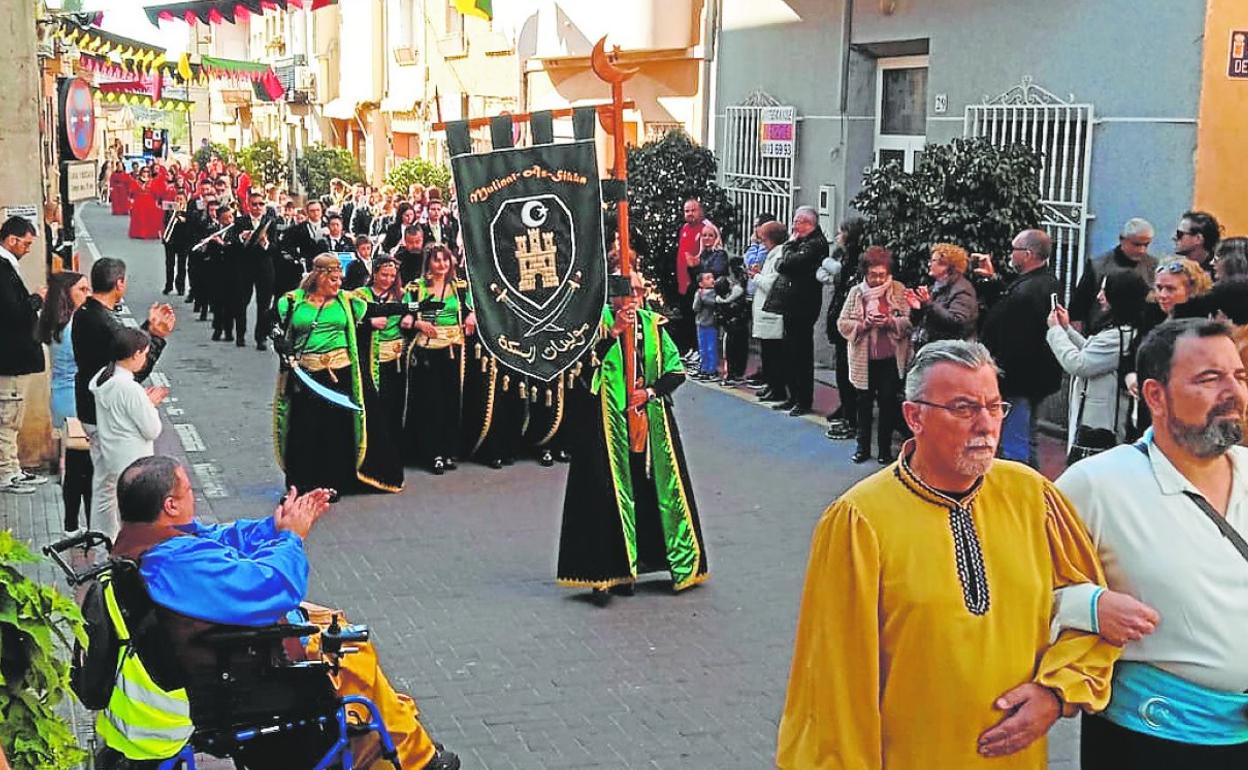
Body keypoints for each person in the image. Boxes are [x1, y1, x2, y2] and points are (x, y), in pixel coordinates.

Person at [776, 339, 1120, 770]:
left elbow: (1092, 611)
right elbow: (834, 687)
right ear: (914, 416)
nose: (985, 425)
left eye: (994, 407)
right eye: (962, 408)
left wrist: (1056, 692)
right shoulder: (858, 521)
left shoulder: (1032, 496)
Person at [97, 456, 460, 770]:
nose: (193, 496)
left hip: (217, 645)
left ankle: (400, 727)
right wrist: (291, 538)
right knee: (354, 652)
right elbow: (273, 586)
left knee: (327, 618)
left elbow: (219, 537)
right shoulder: (174, 563)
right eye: (188, 489)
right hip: (238, 668)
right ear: (170, 505)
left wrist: (275, 526)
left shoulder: (145, 539)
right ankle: (415, 755)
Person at [1054, 318, 1248, 768]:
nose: (1233, 392)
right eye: (1208, 379)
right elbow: (1014, 590)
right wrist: (1089, 607)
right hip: (1146, 739)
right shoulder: (1096, 484)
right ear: (1155, 396)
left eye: (1239, 376)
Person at [556, 273, 710, 596]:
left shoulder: (654, 326)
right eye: (627, 292)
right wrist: (613, 334)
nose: (633, 298)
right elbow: (583, 368)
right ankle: (609, 572)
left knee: (654, 491)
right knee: (607, 494)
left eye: (638, 291)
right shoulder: (595, 325)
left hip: (650, 422)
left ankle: (664, 562)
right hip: (607, 425)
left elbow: (675, 370)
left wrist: (650, 392)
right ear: (614, 297)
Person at [273, 255, 408, 496]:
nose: (338, 284)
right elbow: (270, 322)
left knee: (336, 430)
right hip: (307, 374)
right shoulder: (293, 302)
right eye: (333, 280)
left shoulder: (347, 301)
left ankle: (333, 482)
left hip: (340, 373)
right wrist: (279, 341)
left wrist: (414, 308)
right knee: (304, 430)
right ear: (320, 277)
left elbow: (380, 309)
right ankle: (301, 484)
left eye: (340, 279)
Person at [73, 257, 175, 537]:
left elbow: (123, 348)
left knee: (103, 484)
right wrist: (154, 337)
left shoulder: (84, 313)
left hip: (89, 406)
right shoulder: (106, 325)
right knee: (121, 488)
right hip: (110, 423)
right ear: (119, 283)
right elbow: (132, 365)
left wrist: (147, 332)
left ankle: (104, 537)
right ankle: (122, 543)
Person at [976, 229, 1063, 466]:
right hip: (1033, 379)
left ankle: (1023, 493)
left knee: (1017, 444)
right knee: (1025, 437)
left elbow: (1016, 336)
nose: (1010, 255)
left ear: (1028, 254)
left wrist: (999, 373)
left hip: (1019, 382)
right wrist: (993, 281)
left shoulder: (1030, 291)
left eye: (1014, 250)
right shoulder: (1044, 282)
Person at [1046, 271, 1149, 457]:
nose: (1099, 296)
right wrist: (1066, 329)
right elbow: (1091, 351)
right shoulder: (1122, 330)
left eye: (1104, 291)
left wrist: (1055, 332)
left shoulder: (1118, 336)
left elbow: (1079, 364)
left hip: (1101, 426)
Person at [402, 244, 475, 474]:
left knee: (452, 401)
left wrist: (471, 315)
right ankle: (432, 453)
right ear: (429, 263)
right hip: (426, 351)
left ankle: (448, 450)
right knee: (430, 403)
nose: (442, 265)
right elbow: (406, 314)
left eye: (445, 260)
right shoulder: (416, 289)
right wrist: (417, 322)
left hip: (454, 350)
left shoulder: (460, 287)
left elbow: (474, 307)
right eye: (437, 260)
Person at [836, 246, 911, 465]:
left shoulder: (898, 289)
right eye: (872, 275)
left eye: (882, 275)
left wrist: (890, 322)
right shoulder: (856, 293)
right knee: (864, 404)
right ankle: (862, 447)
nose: (877, 280)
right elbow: (842, 323)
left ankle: (884, 450)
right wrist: (863, 325)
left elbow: (908, 323)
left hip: (890, 358)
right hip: (864, 358)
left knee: (888, 403)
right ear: (865, 273)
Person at [88, 328, 167, 529]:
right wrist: (150, 404)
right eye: (145, 353)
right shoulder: (130, 389)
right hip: (133, 459)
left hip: (111, 453)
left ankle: (103, 547)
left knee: (106, 501)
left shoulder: (101, 377)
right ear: (136, 354)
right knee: (133, 514)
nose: (146, 358)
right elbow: (152, 429)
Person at [38, 270, 92, 528]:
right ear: (67, 294)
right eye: (82, 289)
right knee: (86, 469)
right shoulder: (74, 326)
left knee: (74, 466)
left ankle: (71, 522)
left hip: (61, 398)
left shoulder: (56, 322)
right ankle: (88, 524)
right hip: (75, 402)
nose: (88, 294)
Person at [764, 206, 829, 417]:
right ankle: (792, 396)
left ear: (807, 223)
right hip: (791, 304)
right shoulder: (800, 243)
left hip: (803, 305)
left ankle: (803, 399)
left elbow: (789, 263)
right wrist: (789, 252)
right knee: (789, 351)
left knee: (801, 353)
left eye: (797, 222)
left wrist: (789, 245)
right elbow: (781, 265)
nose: (794, 226)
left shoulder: (815, 244)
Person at [0, 216, 47, 495]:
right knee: (7, 417)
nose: (28, 249)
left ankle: (13, 468)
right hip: (9, 359)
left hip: (13, 358)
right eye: (26, 243)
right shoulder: (3, 269)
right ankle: (6, 472)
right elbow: (14, 313)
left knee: (12, 417)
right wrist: (37, 299)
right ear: (12, 240)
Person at [353, 256, 411, 471]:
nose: (388, 279)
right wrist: (368, 322)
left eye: (392, 276)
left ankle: (395, 451)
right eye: (384, 275)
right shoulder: (360, 296)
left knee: (396, 406)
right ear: (374, 273)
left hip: (397, 360)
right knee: (375, 407)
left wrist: (411, 320)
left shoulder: (402, 295)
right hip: (371, 360)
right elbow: (350, 322)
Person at [1068, 218, 1157, 331]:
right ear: (1122, 240)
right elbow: (1078, 306)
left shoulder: (1152, 265)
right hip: (1102, 331)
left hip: (1139, 332)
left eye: (1146, 245)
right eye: (1137, 244)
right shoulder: (1098, 266)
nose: (1142, 250)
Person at [820, 217, 865, 439]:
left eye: (840, 233)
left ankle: (851, 419)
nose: (837, 237)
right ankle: (846, 411)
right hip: (841, 320)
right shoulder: (845, 258)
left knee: (847, 372)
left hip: (848, 324)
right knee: (843, 371)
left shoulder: (855, 262)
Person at [905, 242, 979, 351]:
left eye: (933, 261)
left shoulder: (962, 289)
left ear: (947, 266)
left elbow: (958, 322)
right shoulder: (935, 287)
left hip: (951, 353)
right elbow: (925, 320)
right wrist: (917, 309)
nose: (929, 264)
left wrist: (928, 304)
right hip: (934, 349)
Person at [751, 221, 790, 407]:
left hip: (772, 315)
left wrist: (755, 277)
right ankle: (771, 385)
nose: (762, 243)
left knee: (774, 355)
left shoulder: (779, 255)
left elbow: (771, 285)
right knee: (767, 353)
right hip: (765, 313)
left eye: (764, 239)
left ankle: (777, 388)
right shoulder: (771, 255)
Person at [235, 192, 280, 350]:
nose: (258, 207)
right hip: (245, 267)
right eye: (254, 204)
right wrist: (242, 238)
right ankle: (240, 334)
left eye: (261, 204)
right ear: (248, 205)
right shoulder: (240, 221)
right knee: (242, 302)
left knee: (264, 304)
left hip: (264, 267)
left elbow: (275, 248)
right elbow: (233, 244)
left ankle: (261, 337)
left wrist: (265, 243)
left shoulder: (271, 222)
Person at [673, 198, 712, 357]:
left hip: (695, 280)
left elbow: (706, 254)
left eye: (692, 210)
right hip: (683, 281)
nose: (689, 214)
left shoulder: (705, 229)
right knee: (686, 317)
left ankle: (698, 350)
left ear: (700, 211)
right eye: (686, 211)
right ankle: (689, 348)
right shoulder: (684, 228)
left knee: (697, 317)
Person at [715, 257, 750, 385]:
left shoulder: (721, 300)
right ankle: (735, 374)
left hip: (731, 328)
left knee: (731, 351)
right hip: (738, 326)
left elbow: (720, 317)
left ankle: (731, 374)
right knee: (738, 351)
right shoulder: (739, 293)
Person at [691, 272, 719, 380]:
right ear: (701, 283)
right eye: (708, 278)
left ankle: (712, 370)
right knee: (703, 348)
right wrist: (699, 296)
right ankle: (704, 368)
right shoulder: (699, 293)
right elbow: (695, 308)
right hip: (701, 323)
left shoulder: (715, 293)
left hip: (712, 324)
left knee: (711, 348)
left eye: (712, 277)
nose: (712, 280)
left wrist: (702, 297)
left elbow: (714, 303)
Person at [128, 167, 166, 240]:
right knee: (139, 218)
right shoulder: (136, 181)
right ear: (141, 172)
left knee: (149, 218)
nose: (145, 173)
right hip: (139, 202)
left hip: (150, 202)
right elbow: (132, 192)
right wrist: (131, 203)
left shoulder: (152, 181)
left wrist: (157, 201)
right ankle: (138, 233)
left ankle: (149, 233)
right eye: (144, 171)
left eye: (147, 171)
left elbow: (156, 193)